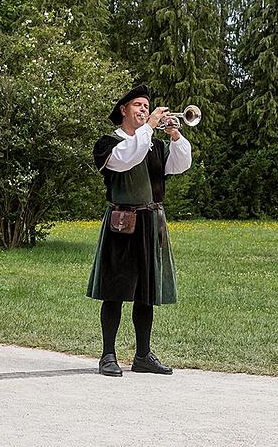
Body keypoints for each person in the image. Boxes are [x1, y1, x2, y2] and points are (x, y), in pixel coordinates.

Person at [87, 85, 191, 377]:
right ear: (124, 110)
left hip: (150, 223)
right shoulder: (108, 143)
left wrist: (175, 135)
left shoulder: (154, 144)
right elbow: (124, 159)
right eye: (138, 105)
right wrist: (148, 128)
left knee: (146, 291)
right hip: (122, 222)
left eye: (147, 106)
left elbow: (180, 164)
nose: (144, 110)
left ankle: (143, 355)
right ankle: (108, 354)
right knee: (115, 290)